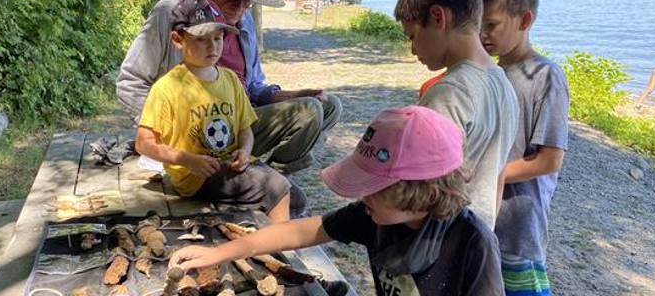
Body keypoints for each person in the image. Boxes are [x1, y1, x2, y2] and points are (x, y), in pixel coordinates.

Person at [169, 106, 504, 296]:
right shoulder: (372, 216)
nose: (362, 195)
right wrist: (217, 253)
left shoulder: (472, 244)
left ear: (423, 194)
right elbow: (296, 233)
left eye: (373, 187)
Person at [116, 0, 343, 215]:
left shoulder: (244, 20)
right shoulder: (173, 13)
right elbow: (131, 81)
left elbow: (253, 88)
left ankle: (265, 176)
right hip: (190, 142)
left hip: (234, 122)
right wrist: (169, 143)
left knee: (324, 106)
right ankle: (258, 188)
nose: (243, 5)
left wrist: (295, 96)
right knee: (293, 179)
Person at [134, 0, 290, 222]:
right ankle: (280, 248)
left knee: (296, 197)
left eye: (218, 38)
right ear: (178, 40)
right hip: (196, 177)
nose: (213, 46)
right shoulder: (167, 88)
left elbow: (245, 130)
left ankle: (260, 231)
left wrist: (245, 152)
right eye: (201, 40)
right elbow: (143, 143)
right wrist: (187, 160)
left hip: (230, 166)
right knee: (277, 188)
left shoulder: (230, 80)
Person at [393, 0, 519, 229]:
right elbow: (498, 176)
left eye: (412, 36)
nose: (413, 49)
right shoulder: (504, 84)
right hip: (476, 240)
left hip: (437, 242)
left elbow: (422, 189)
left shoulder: (447, 95)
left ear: (438, 18)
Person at [481, 0, 569, 296]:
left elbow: (549, 159)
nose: (482, 34)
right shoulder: (489, 74)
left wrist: (492, 173)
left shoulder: (546, 77)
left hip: (520, 226)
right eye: (478, 25)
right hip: (483, 217)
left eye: (491, 25)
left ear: (525, 20)